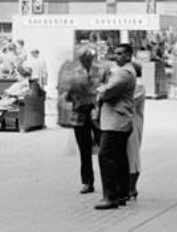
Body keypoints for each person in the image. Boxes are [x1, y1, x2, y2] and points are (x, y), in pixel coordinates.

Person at [94, 42, 136, 210]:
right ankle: (121, 193)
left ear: (128, 55)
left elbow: (107, 91)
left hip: (115, 122)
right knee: (118, 157)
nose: (115, 57)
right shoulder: (124, 71)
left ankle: (110, 196)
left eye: (120, 54)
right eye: (115, 53)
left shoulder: (124, 73)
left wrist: (100, 88)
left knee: (106, 157)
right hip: (118, 121)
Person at [60, 48, 102, 195]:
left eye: (89, 57)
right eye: (83, 57)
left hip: (98, 113)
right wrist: (69, 94)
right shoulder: (73, 73)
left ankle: (108, 181)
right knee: (84, 151)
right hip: (80, 113)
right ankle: (87, 182)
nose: (86, 59)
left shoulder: (101, 71)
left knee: (103, 149)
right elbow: (64, 94)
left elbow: (105, 89)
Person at [127, 62, 146, 201]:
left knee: (132, 155)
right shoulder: (130, 84)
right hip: (124, 123)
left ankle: (132, 187)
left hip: (133, 123)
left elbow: (128, 101)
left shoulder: (138, 85)